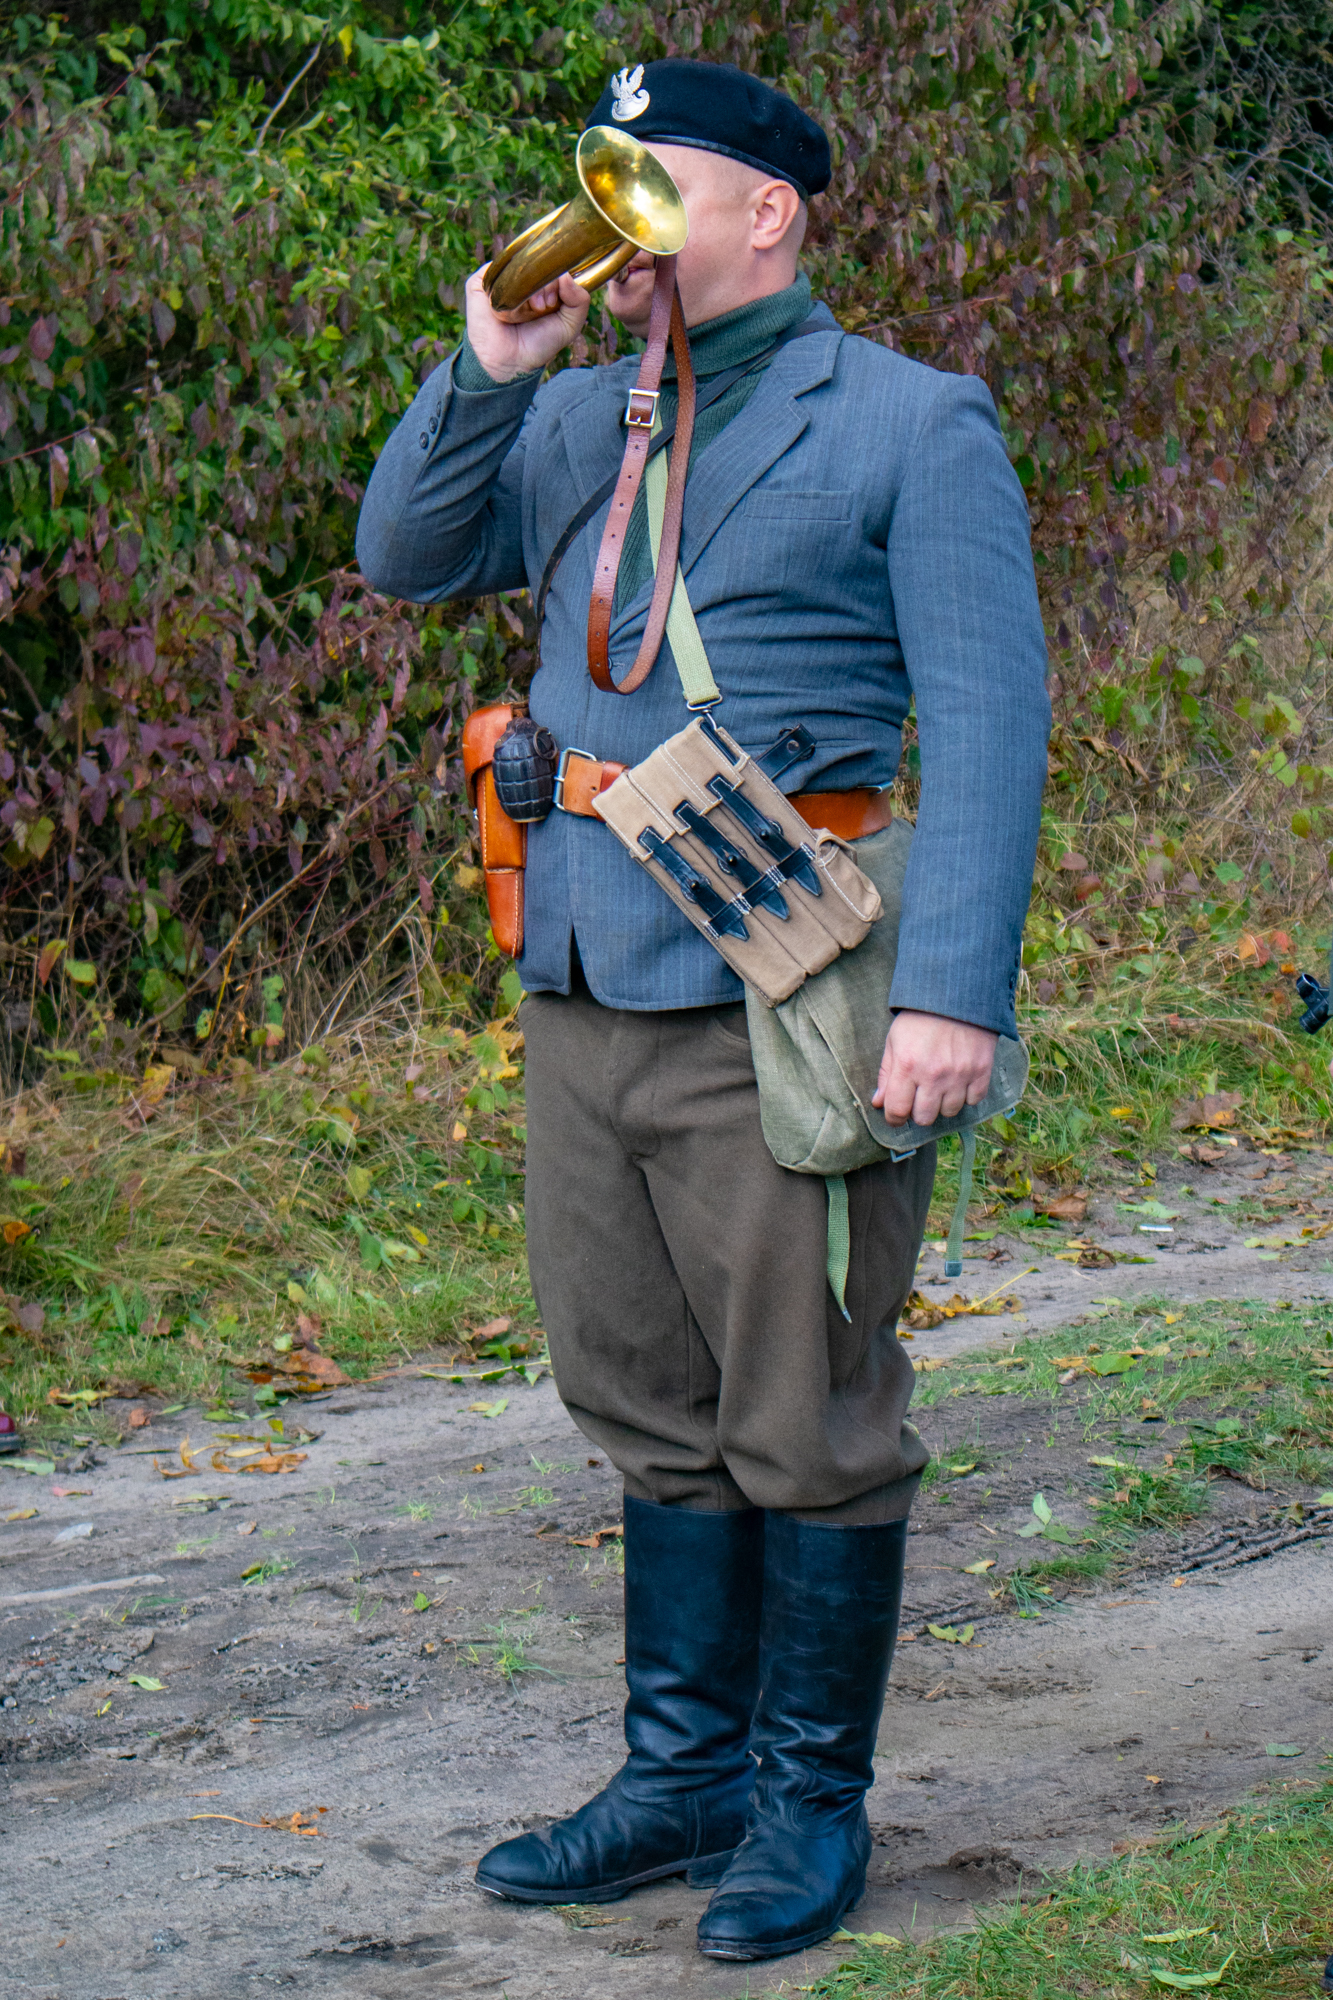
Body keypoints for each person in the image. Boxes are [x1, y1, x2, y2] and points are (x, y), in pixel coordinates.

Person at [356, 57, 1050, 1962]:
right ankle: (683, 1782)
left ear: (769, 211)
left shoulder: (907, 419)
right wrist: (486, 369)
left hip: (788, 989)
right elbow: (403, 556)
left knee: (804, 1413)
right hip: (585, 976)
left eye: (651, 184)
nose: (620, 225)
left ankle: (806, 1807)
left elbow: (989, 726)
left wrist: (952, 997)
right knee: (639, 1400)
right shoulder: (571, 420)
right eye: (608, 184)